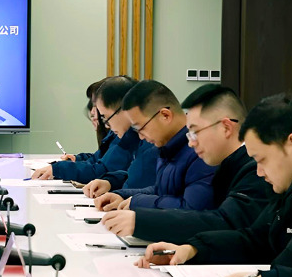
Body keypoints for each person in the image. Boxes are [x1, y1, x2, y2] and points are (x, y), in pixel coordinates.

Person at [137, 94, 292, 277]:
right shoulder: (285, 190)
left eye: (262, 159)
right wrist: (194, 249)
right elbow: (256, 240)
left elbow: (288, 265)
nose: (259, 172)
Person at [102, 85, 271, 242]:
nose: (191, 143)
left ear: (226, 128)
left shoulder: (254, 170)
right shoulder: (228, 164)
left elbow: (224, 222)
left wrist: (141, 221)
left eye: (195, 132)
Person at [94, 80, 216, 211]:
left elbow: (191, 208)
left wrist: (137, 202)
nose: (141, 137)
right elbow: (160, 191)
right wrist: (122, 195)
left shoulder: (199, 150)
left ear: (165, 115)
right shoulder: (167, 147)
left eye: (141, 128)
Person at [32, 78, 128, 182]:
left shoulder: (127, 138)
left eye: (96, 106)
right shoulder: (117, 133)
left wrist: (59, 169)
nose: (93, 112)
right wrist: (77, 159)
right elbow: (99, 158)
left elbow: (100, 171)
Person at [81, 76, 158, 197]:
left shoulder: (151, 141)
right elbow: (136, 178)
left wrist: (122, 196)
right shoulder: (133, 137)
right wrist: (110, 182)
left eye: (105, 118)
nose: (106, 125)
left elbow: (155, 190)